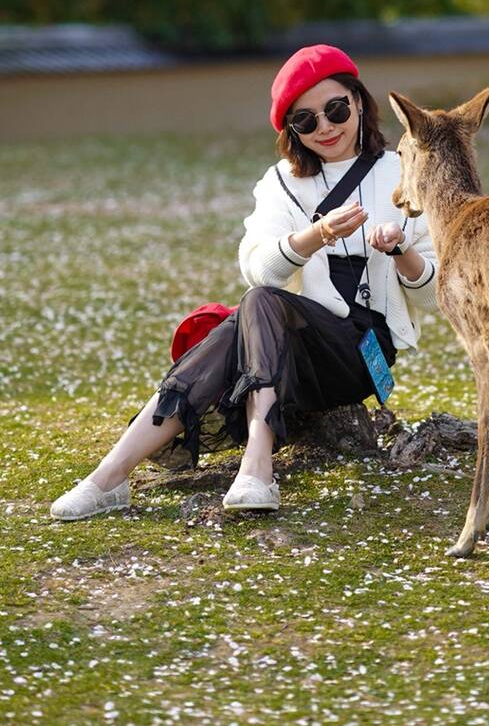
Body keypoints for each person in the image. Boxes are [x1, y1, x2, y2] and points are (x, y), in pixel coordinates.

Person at [50, 43, 437, 518]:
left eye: (336, 109)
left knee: (253, 310)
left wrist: (403, 252)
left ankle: (249, 467)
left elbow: (442, 293)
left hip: (360, 353)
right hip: (286, 350)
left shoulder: (403, 173)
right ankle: (112, 475)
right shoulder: (280, 183)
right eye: (306, 121)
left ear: (359, 101)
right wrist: (313, 236)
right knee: (257, 302)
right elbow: (257, 267)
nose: (326, 127)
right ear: (292, 131)